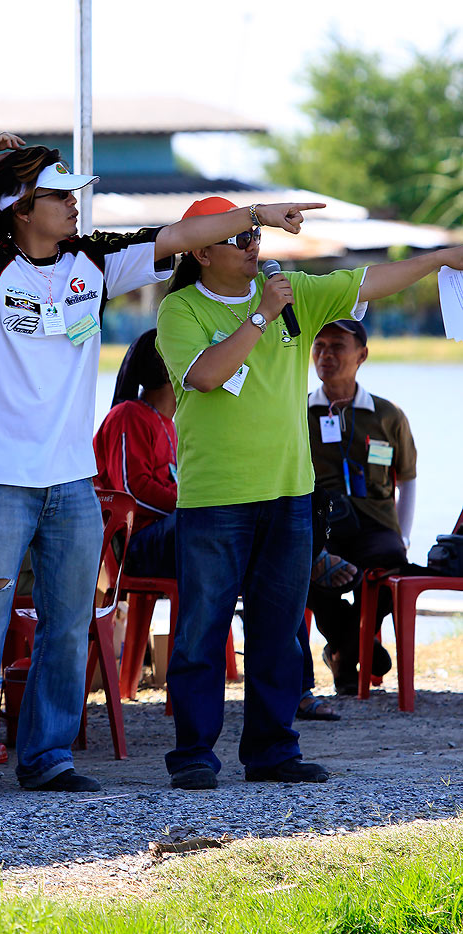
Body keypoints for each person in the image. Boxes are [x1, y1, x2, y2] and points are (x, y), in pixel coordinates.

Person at [0, 134, 325, 799]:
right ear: (22, 207)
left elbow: (180, 235)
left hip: (72, 482)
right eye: (59, 194)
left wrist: (258, 214)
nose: (74, 204)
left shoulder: (96, 260)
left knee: (69, 621)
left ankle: (47, 757)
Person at [155, 194, 463, 790]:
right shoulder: (182, 311)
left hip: (289, 495)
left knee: (278, 630)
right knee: (201, 631)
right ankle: (194, 755)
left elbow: (373, 279)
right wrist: (261, 317)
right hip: (215, 499)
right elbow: (208, 376)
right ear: (199, 250)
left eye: (254, 237)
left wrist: (445, 256)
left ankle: (272, 751)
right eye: (239, 239)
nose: (253, 247)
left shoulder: (293, 291)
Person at [95, 336, 342, 718]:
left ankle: (299, 689)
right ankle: (314, 557)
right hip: (142, 545)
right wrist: (197, 500)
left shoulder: (175, 422)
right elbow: (132, 494)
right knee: (240, 528)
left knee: (274, 569)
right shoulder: (129, 415)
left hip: (186, 533)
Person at [307, 319, 418, 693]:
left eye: (337, 345)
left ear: (362, 355)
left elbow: (409, 479)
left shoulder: (387, 415)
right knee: (302, 568)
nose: (325, 354)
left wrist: (403, 536)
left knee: (393, 563)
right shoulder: (299, 413)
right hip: (322, 526)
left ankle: (344, 653)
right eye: (319, 345)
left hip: (375, 527)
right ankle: (356, 643)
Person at [93, 328, 177, 578]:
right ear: (168, 367)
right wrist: (190, 502)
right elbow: (132, 491)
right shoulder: (128, 415)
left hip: (159, 534)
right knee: (212, 520)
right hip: (133, 547)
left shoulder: (168, 424)